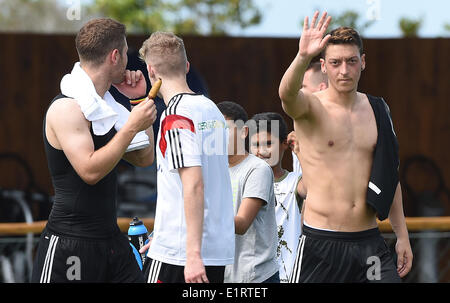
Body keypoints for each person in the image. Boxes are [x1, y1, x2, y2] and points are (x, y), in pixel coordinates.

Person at [278, 11, 412, 282]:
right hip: (321, 244)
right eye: (336, 62)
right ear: (324, 66)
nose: (344, 70)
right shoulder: (309, 107)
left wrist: (402, 235)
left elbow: (389, 175)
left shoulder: (378, 109)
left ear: (362, 62)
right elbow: (286, 94)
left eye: (351, 61)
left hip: (369, 244)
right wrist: (302, 56)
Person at [31, 18, 157, 283]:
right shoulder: (67, 108)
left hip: (110, 239)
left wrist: (138, 100)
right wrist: (131, 125)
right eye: (125, 53)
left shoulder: (105, 108)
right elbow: (90, 170)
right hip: (70, 244)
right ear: (114, 56)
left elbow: (145, 158)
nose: (127, 60)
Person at [138, 32, 235, 283]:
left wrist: (191, 254)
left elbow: (193, 184)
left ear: (151, 71)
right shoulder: (211, 109)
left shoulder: (175, 116)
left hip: (182, 254)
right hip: (212, 251)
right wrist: (160, 234)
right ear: (187, 66)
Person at [216, 101, 279, 283]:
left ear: (244, 131)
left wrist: (199, 214)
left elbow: (242, 224)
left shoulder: (257, 168)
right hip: (223, 276)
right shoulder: (212, 170)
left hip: (257, 278)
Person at [248, 112, 306, 283]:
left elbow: (313, 186)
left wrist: (299, 151)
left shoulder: (295, 182)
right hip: (252, 278)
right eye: (256, 144)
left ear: (284, 144)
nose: (262, 151)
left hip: (288, 276)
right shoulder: (243, 182)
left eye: (268, 143)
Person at [291, 59, 328, 174]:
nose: (300, 91)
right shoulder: (301, 121)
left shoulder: (336, 125)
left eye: (303, 86)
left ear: (321, 88)